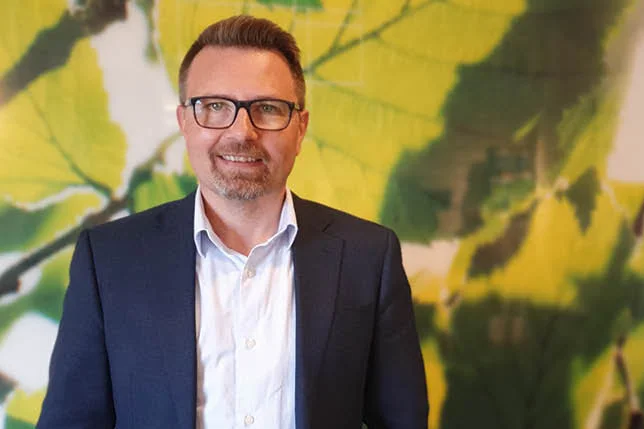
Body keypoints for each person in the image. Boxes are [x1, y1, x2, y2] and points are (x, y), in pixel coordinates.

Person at [36, 15, 428, 429]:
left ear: (300, 129)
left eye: (268, 109)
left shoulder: (369, 257)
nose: (242, 131)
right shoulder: (109, 260)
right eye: (215, 107)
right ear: (184, 121)